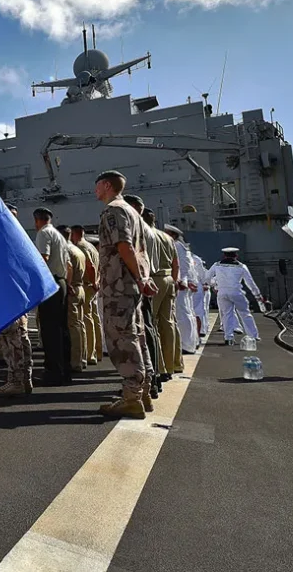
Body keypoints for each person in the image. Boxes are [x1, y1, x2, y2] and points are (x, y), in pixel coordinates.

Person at [95, 171, 156, 419]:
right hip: (130, 285)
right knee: (137, 336)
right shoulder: (134, 213)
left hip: (118, 286)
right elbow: (141, 250)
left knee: (122, 340)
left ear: (107, 185)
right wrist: (143, 278)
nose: (95, 190)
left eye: (98, 185)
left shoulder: (114, 211)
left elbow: (125, 246)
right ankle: (143, 393)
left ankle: (131, 397)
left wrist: (140, 278)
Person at [123, 195, 162, 396]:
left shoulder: (138, 229)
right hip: (147, 281)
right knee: (148, 329)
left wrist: (139, 280)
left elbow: (134, 256)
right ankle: (153, 378)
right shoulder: (149, 229)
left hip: (140, 284)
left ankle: (149, 381)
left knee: (143, 333)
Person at [0, 203, 33, 397]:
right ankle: (24, 378)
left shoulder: (5, 237)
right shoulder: (20, 237)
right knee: (21, 337)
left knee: (11, 338)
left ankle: (16, 380)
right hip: (18, 294)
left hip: (8, 294)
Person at [33, 207, 71, 385]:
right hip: (61, 281)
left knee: (50, 331)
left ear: (37, 220)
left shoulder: (43, 233)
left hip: (50, 284)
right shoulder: (59, 236)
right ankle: (64, 370)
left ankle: (53, 372)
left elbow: (43, 257)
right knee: (61, 329)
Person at [142, 210, 180, 377]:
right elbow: (175, 263)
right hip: (169, 278)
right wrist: (174, 281)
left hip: (154, 279)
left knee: (152, 324)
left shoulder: (145, 234)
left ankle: (161, 368)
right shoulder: (167, 237)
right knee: (169, 323)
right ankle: (174, 364)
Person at [205, 247, 264, 345]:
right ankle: (253, 336)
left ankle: (228, 338)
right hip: (236, 292)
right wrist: (257, 295)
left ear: (224, 255)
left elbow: (207, 277)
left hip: (222, 292)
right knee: (245, 314)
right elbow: (250, 282)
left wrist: (214, 285)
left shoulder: (217, 265)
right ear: (236, 255)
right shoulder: (241, 267)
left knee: (227, 315)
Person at [163, 224, 200, 355]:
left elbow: (182, 266)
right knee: (188, 313)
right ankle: (192, 342)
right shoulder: (183, 247)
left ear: (172, 235)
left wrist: (182, 281)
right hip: (186, 283)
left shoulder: (176, 246)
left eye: (166, 232)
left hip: (181, 284)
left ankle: (186, 345)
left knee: (182, 314)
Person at [58, 224, 88, 374]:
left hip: (72, 289)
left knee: (73, 326)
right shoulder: (78, 250)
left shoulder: (66, 250)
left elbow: (68, 267)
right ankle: (82, 358)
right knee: (80, 325)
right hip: (80, 287)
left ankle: (75, 362)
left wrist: (67, 284)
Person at [71, 226, 101, 366]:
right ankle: (97, 351)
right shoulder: (92, 247)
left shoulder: (81, 247)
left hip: (86, 285)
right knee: (94, 318)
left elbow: (91, 267)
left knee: (85, 320)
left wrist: (94, 282)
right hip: (93, 286)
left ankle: (89, 354)